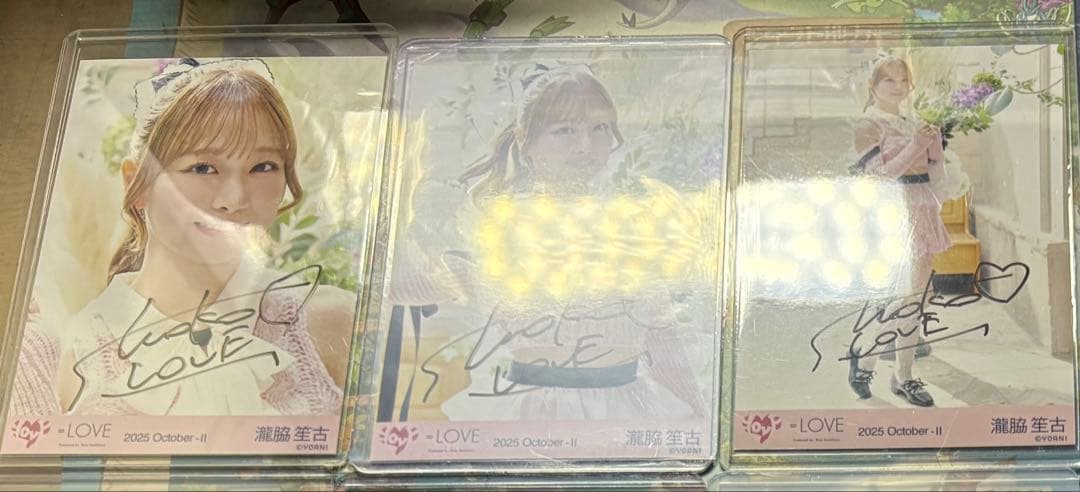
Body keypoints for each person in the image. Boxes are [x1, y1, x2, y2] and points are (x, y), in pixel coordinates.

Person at [12, 59, 354, 417]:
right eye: (203, 168)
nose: (234, 199)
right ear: (136, 184)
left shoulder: (331, 321)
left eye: (262, 166)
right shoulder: (66, 355)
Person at [452, 64, 707, 420]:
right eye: (564, 130)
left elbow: (663, 342)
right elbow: (441, 297)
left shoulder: (631, 224)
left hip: (626, 409)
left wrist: (701, 415)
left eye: (599, 128)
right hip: (532, 410)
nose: (585, 147)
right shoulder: (499, 227)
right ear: (526, 140)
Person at [847, 56, 950, 407]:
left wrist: (933, 146)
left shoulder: (912, 122)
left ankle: (892, 371)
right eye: (888, 80)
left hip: (921, 208)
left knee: (916, 299)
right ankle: (880, 365)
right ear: (873, 85)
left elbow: (933, 168)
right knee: (906, 298)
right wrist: (917, 145)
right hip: (893, 213)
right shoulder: (867, 124)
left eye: (903, 80)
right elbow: (881, 174)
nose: (897, 86)